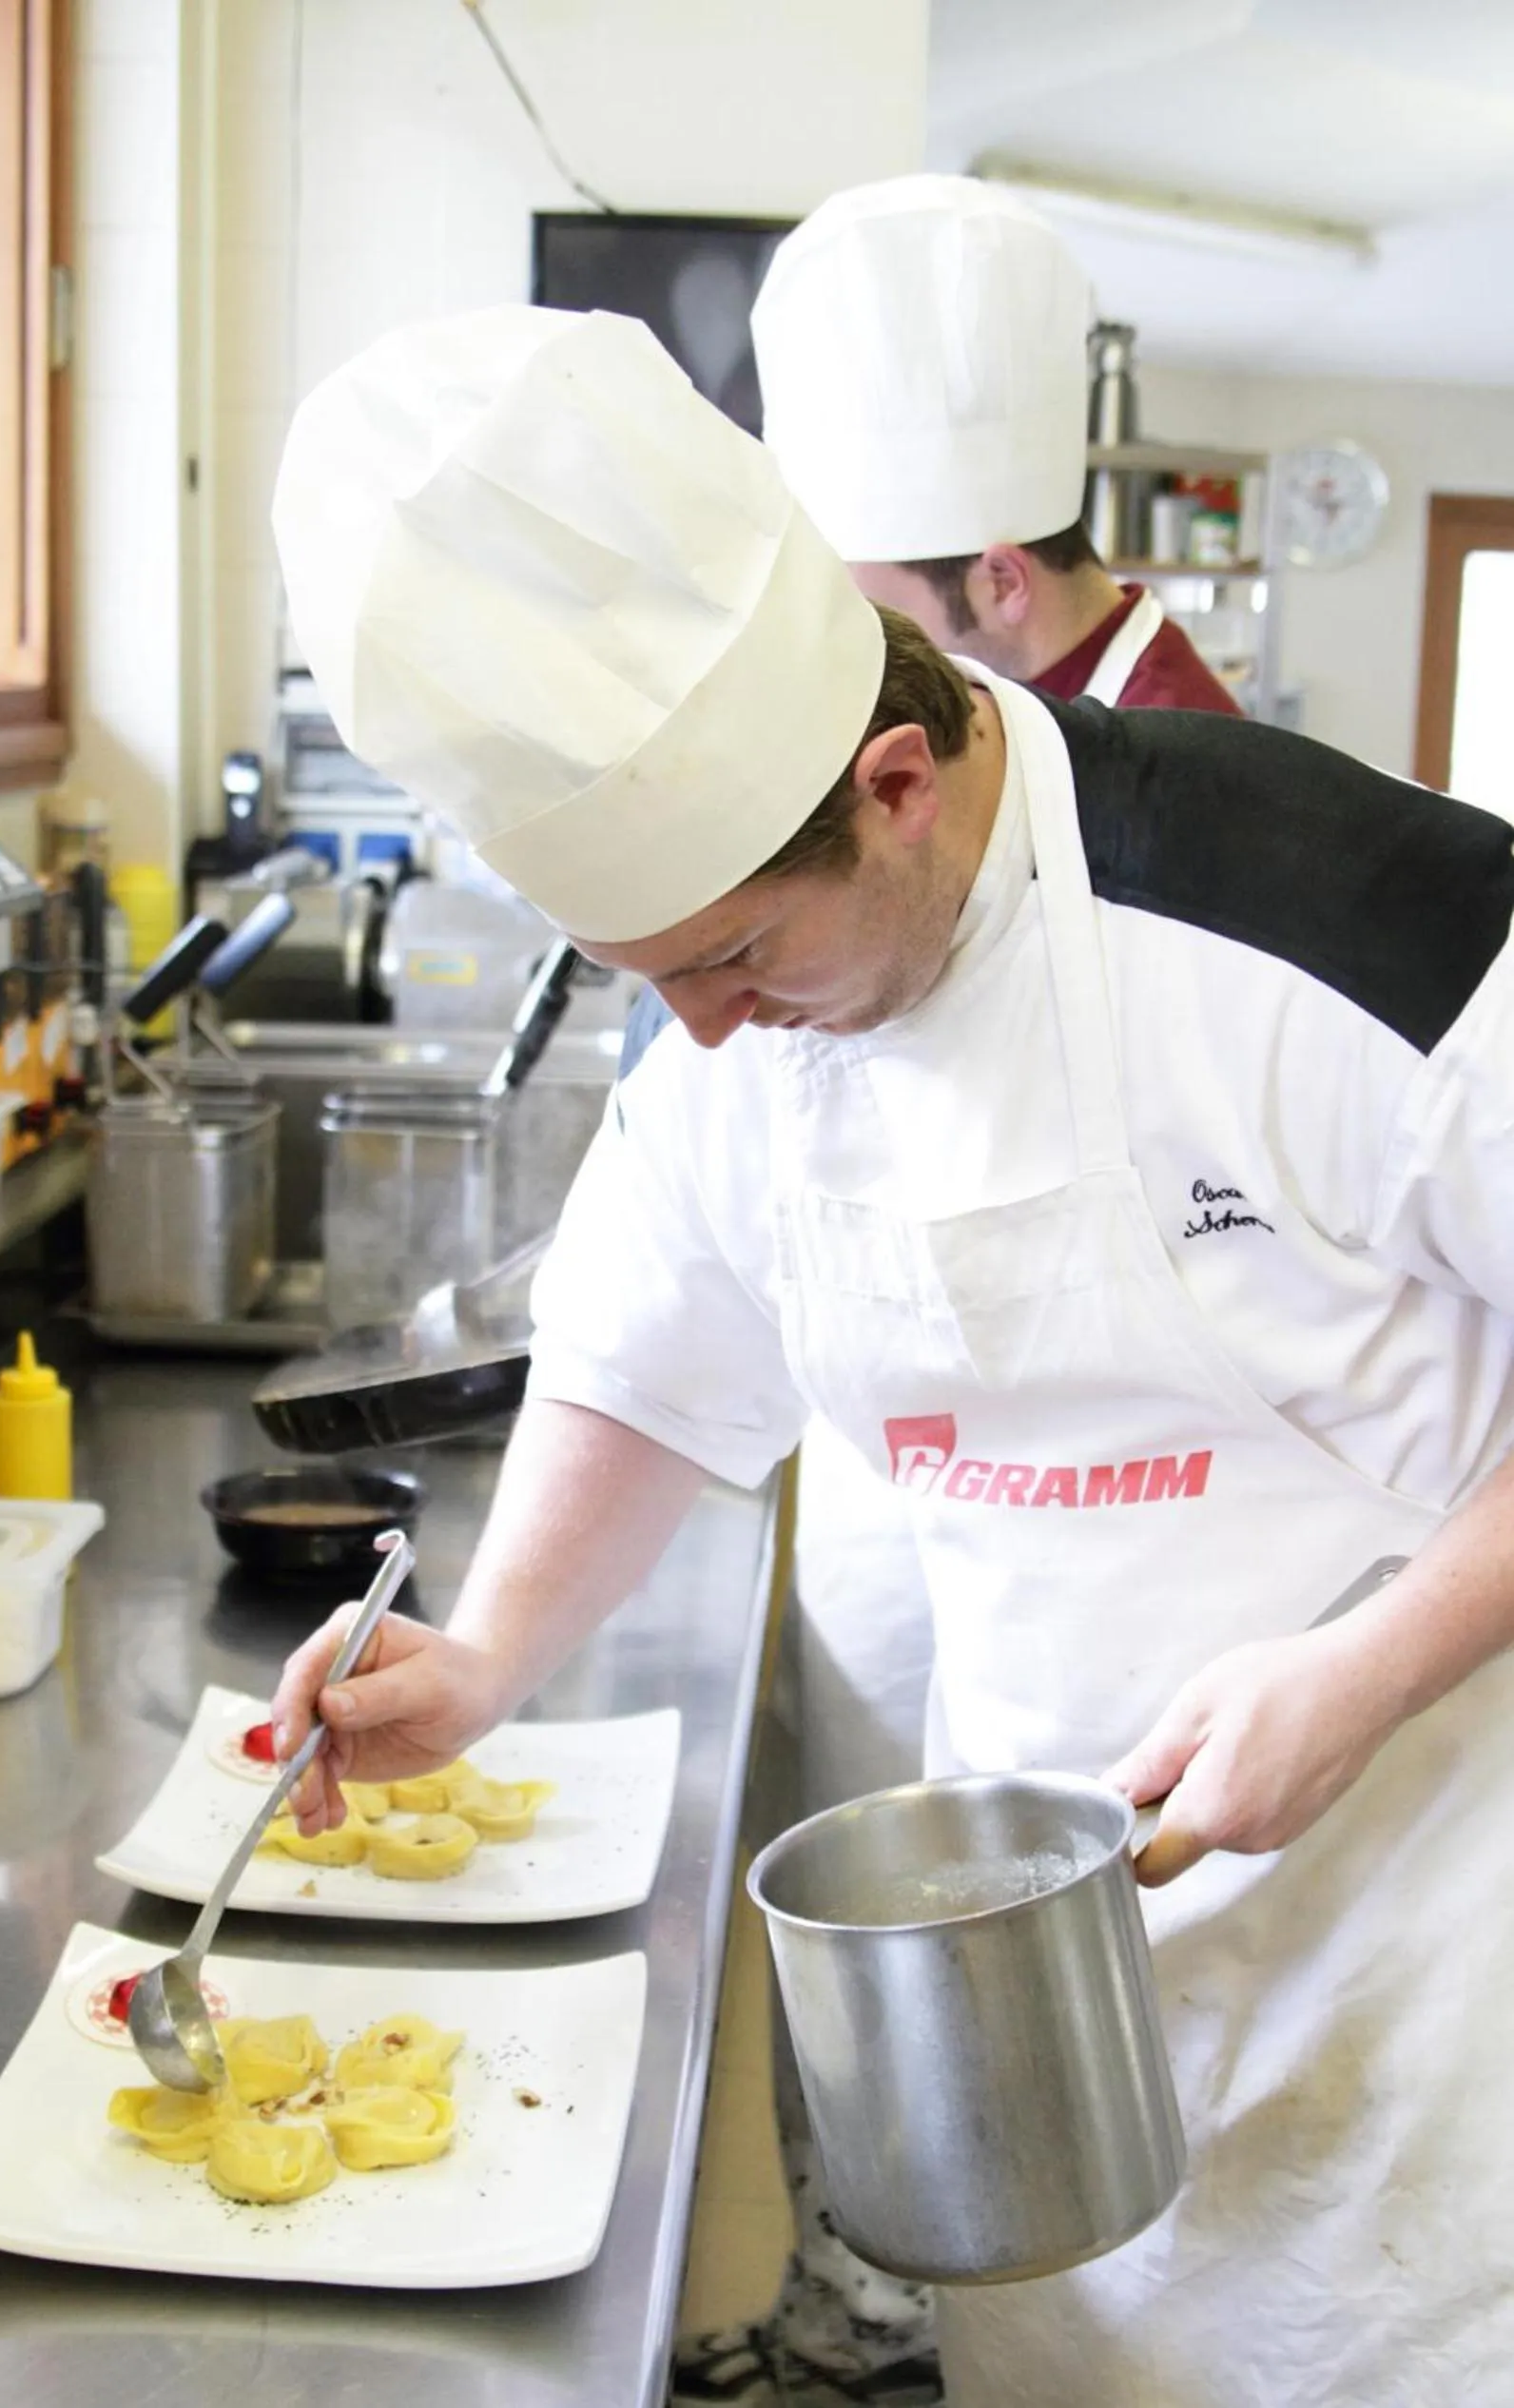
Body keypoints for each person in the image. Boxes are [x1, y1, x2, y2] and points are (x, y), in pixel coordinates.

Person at [271, 303, 1514, 2408]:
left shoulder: (1350, 917)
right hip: (1041, 1983)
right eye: (653, 978)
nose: (713, 1033)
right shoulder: (741, 1012)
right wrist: (483, 1663)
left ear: (899, 779)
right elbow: (647, 1357)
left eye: (737, 958)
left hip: (1420, 1974)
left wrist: (1364, 1666)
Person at [704, 174, 1246, 2404]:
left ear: (993, 587)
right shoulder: (936, 779)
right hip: (923, 1502)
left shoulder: (1194, 812)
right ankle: (889, 2284)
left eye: (863, 614)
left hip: (1111, 1598)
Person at [751, 174, 1243, 716]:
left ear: (1004, 583)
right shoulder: (1013, 700)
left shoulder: (1176, 754)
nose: (872, 652)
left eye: (885, 618)